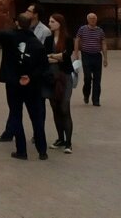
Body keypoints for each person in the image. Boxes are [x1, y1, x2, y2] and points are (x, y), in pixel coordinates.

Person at [0, 8, 49, 161]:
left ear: (18, 24)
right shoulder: (37, 44)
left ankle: (21, 151)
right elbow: (44, 67)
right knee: (36, 117)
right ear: (29, 25)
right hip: (31, 85)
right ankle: (42, 151)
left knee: (16, 115)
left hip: (13, 83)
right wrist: (30, 77)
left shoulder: (9, 37)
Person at [44, 13, 75, 153]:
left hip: (64, 76)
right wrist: (56, 57)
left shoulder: (68, 39)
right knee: (55, 107)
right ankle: (60, 138)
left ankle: (68, 142)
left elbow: (66, 56)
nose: (50, 23)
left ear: (59, 24)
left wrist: (53, 56)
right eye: (49, 21)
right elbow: (44, 57)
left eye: (52, 21)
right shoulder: (48, 39)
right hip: (51, 76)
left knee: (64, 107)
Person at [74, 12, 108, 106]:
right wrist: (76, 53)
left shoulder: (100, 31)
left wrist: (105, 58)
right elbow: (77, 40)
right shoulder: (82, 29)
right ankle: (86, 94)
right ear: (88, 20)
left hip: (97, 56)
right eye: (91, 18)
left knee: (97, 79)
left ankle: (96, 100)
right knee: (87, 77)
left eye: (94, 19)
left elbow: (104, 43)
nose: (93, 20)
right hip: (86, 55)